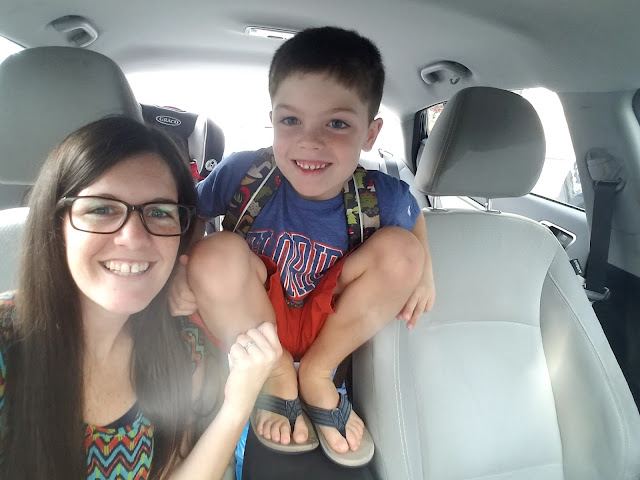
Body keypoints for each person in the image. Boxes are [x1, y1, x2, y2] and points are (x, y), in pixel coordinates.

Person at [169, 26, 435, 466]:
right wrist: (182, 267)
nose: (310, 141)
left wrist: (425, 272)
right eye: (291, 120)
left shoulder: (380, 195)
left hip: (329, 321)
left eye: (337, 123)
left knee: (405, 252)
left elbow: (414, 216)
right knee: (214, 253)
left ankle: (317, 373)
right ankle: (276, 374)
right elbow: (192, 211)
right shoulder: (242, 173)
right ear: (272, 119)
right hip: (250, 318)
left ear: (370, 133)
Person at [0, 116, 281, 479]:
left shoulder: (184, 350)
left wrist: (239, 402)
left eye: (160, 212)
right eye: (102, 209)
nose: (133, 238)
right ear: (57, 226)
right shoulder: (7, 346)